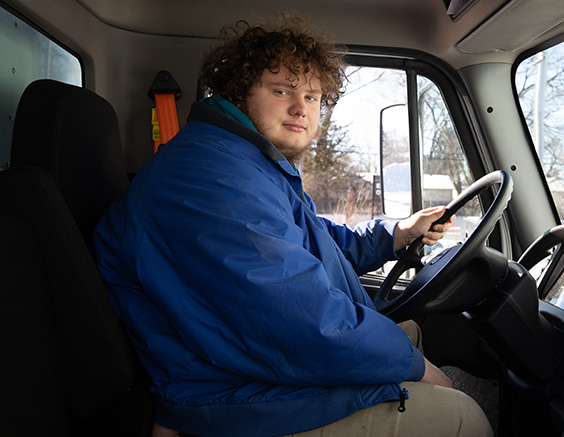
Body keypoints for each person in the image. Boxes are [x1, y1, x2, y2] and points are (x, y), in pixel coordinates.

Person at [92, 13, 493, 437]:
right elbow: (302, 322)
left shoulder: (245, 162)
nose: (302, 107)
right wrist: (420, 370)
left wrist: (396, 234)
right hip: (235, 398)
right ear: (238, 91)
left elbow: (314, 239)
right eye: (281, 90)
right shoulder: (211, 177)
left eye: (315, 96)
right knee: (462, 417)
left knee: (406, 333)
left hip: (252, 366)